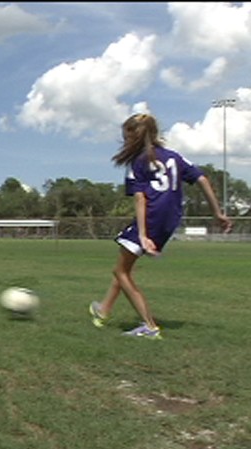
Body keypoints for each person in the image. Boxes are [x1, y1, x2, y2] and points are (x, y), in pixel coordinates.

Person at [89, 113, 232, 339]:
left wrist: (143, 234)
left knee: (120, 270)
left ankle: (150, 326)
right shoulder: (174, 157)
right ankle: (104, 309)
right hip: (169, 219)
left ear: (135, 136)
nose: (125, 143)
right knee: (124, 267)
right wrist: (217, 212)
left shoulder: (138, 162)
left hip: (151, 216)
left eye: (126, 137)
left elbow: (140, 198)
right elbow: (202, 179)